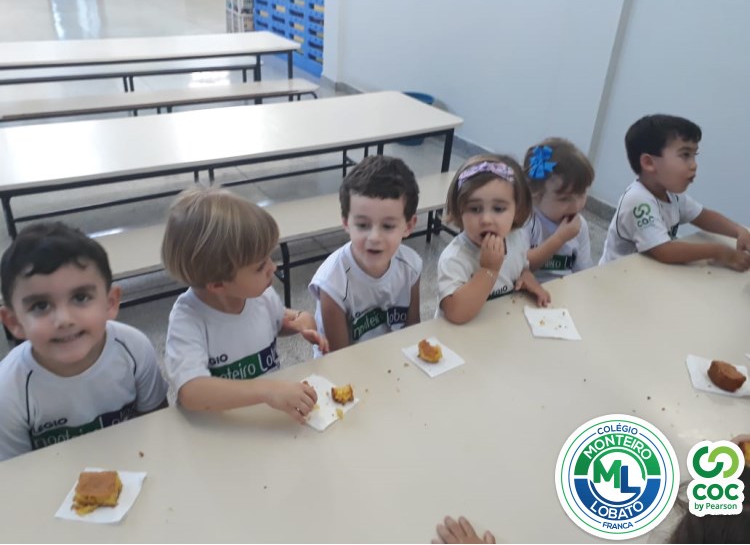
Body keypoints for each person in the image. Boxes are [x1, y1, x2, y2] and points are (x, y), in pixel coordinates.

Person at [0, 222, 167, 461]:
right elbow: (14, 472)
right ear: (14, 321)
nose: (64, 319)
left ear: (110, 303)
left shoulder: (135, 348)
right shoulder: (8, 389)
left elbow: (159, 426)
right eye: (40, 306)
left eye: (80, 297)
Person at [160, 186, 326, 422]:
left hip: (265, 417)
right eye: (260, 266)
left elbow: (279, 320)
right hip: (219, 427)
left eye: (269, 257)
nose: (273, 267)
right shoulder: (188, 320)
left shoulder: (260, 296)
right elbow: (191, 392)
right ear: (218, 284)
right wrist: (266, 390)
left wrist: (300, 321)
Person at [599, 114, 750, 270]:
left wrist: (738, 230)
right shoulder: (637, 200)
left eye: (694, 155)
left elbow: (703, 216)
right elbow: (665, 251)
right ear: (649, 163)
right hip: (616, 276)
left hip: (649, 272)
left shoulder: (672, 195)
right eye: (685, 155)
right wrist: (718, 251)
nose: (694, 165)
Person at [309, 155, 422, 354]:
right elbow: (339, 357)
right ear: (346, 222)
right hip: (347, 364)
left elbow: (412, 333)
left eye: (388, 226)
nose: (374, 237)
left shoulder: (411, 265)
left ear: (409, 226)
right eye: (362, 225)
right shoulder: (333, 283)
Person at [437, 154, 550, 325]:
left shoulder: (516, 239)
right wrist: (488, 270)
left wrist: (526, 277)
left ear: (517, 211)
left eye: (498, 209)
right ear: (460, 213)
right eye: (475, 209)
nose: (486, 219)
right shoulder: (454, 258)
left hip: (499, 327)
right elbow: (455, 313)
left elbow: (520, 267)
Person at [522, 138, 595, 282]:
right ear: (535, 194)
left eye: (581, 194)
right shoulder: (525, 222)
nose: (576, 206)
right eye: (564, 199)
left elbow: (584, 272)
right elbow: (518, 266)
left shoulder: (579, 225)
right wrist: (560, 238)